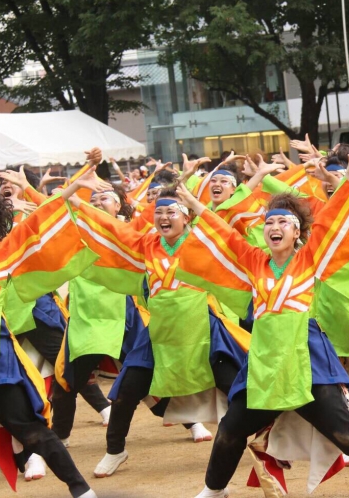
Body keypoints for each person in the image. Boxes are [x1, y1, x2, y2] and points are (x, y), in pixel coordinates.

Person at [175, 155, 349, 498]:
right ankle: (214, 489)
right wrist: (195, 204)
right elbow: (224, 236)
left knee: (342, 430)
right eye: (270, 222)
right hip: (266, 362)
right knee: (230, 430)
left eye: (283, 221)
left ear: (296, 232)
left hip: (306, 356)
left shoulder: (309, 256)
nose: (274, 227)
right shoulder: (254, 260)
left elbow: (332, 221)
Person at [69, 186, 249, 479]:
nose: (163, 217)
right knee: (127, 391)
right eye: (159, 212)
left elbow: (224, 233)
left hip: (200, 328)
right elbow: (113, 229)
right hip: (159, 332)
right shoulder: (148, 243)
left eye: (171, 212)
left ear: (186, 217)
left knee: (239, 388)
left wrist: (197, 204)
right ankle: (115, 450)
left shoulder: (199, 240)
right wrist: (78, 203)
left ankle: (271, 435)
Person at [0, 175, 100, 498]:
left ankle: (81, 490)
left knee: (31, 432)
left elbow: (38, 223)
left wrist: (72, 189)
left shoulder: (0, 253)